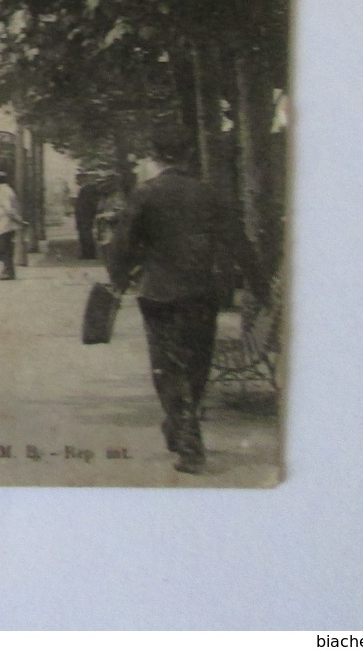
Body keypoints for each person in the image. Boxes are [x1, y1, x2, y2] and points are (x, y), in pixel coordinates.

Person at [107, 126, 265, 475]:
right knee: (196, 362)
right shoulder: (209, 194)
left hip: (158, 293)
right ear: (189, 155)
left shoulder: (144, 194)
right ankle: (182, 424)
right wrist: (261, 286)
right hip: (201, 292)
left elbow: (121, 245)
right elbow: (239, 241)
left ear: (155, 156)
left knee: (166, 364)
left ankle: (187, 435)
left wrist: (119, 278)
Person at [0, 170, 27, 280]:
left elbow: (9, 209)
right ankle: (7, 270)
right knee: (5, 248)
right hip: (5, 224)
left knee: (5, 249)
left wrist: (20, 221)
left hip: (5, 225)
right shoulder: (7, 190)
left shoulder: (3, 191)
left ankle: (8, 272)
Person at [74, 174, 102, 260]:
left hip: (85, 215)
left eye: (77, 179)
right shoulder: (86, 189)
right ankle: (87, 253)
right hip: (84, 215)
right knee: (85, 234)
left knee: (86, 234)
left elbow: (88, 203)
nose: (76, 181)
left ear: (83, 179)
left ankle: (88, 254)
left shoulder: (86, 190)